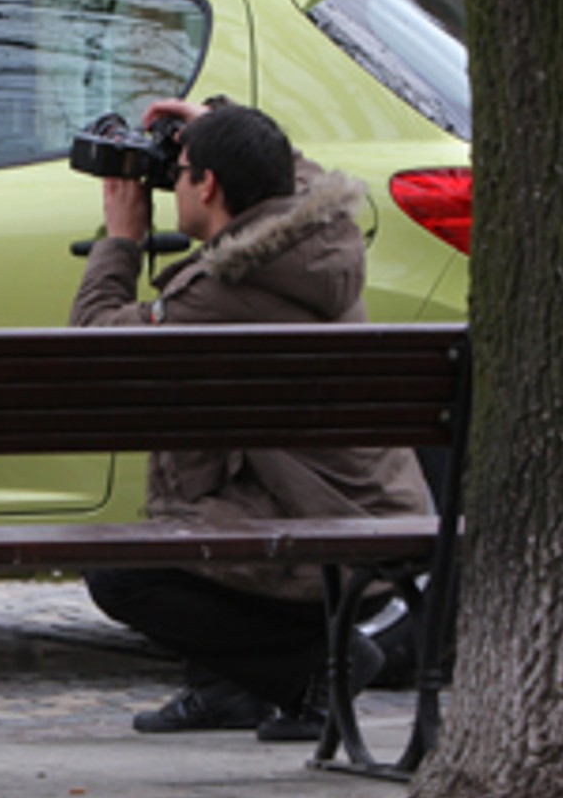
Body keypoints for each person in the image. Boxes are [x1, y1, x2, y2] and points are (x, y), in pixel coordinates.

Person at [70, 98, 432, 740]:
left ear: (207, 186)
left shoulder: (223, 287)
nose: (170, 181)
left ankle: (323, 672)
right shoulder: (319, 234)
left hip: (331, 532)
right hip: (376, 509)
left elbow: (96, 350)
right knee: (208, 471)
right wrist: (219, 119)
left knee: (122, 572)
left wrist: (121, 240)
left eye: (179, 169)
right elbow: (299, 172)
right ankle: (226, 690)